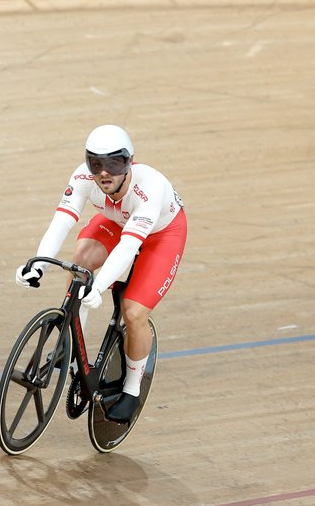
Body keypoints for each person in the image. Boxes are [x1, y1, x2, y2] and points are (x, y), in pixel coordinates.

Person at [14, 124, 187, 423]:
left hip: (162, 236)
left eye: (114, 164)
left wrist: (101, 285)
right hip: (116, 222)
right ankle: (72, 352)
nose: (104, 173)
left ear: (129, 161)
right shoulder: (82, 177)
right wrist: (37, 264)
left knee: (133, 313)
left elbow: (129, 245)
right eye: (96, 164)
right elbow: (61, 222)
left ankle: (132, 390)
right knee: (79, 265)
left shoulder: (150, 188)